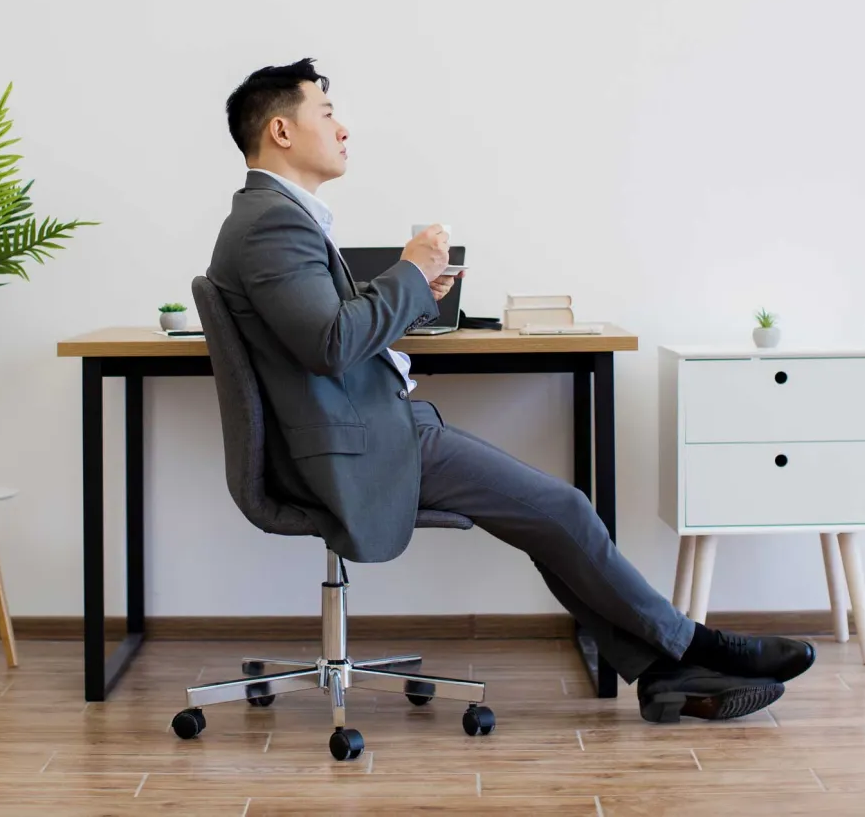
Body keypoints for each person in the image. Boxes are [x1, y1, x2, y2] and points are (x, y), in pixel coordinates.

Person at [205, 58, 815, 723]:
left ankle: (670, 670)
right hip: (359, 449)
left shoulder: (277, 217)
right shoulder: (273, 223)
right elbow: (328, 346)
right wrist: (408, 271)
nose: (343, 127)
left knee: (552, 519)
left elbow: (328, 338)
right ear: (282, 132)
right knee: (563, 512)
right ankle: (697, 647)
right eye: (326, 113)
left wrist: (411, 298)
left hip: (369, 429)